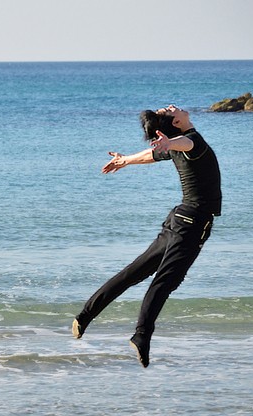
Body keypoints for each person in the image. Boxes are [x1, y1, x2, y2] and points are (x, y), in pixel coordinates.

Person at [71, 105, 222, 367]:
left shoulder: (175, 146)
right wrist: (170, 141)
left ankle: (85, 315)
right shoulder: (191, 141)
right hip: (193, 223)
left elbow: (150, 155)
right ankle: (141, 336)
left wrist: (125, 159)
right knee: (164, 283)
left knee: (134, 273)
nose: (176, 107)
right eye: (172, 109)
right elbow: (184, 143)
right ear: (176, 121)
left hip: (177, 219)